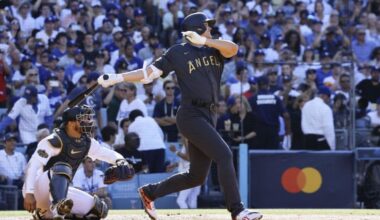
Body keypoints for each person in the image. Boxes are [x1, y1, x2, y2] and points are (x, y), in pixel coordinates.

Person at [97, 12, 262, 220]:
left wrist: (205, 40)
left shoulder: (214, 46)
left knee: (196, 176)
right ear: (197, 28)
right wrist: (117, 78)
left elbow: (234, 49)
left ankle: (150, 192)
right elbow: (149, 74)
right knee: (225, 155)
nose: (211, 29)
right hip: (190, 114)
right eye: (207, 27)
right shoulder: (177, 52)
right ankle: (237, 211)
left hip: (209, 114)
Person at [22, 105, 130, 220]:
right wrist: (29, 193)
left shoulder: (87, 142)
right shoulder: (54, 140)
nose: (89, 122)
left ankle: (48, 215)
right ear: (71, 123)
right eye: (84, 119)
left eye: (89, 118)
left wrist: (121, 161)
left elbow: (107, 153)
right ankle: (54, 208)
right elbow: (32, 166)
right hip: (39, 190)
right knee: (62, 167)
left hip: (61, 192)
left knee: (99, 209)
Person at [169, 135, 201, 209]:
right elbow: (190, 160)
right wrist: (175, 165)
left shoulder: (188, 142)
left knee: (180, 200)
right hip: (197, 173)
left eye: (181, 136)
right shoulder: (195, 143)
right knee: (192, 199)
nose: (179, 137)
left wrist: (175, 151)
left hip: (189, 175)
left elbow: (188, 158)